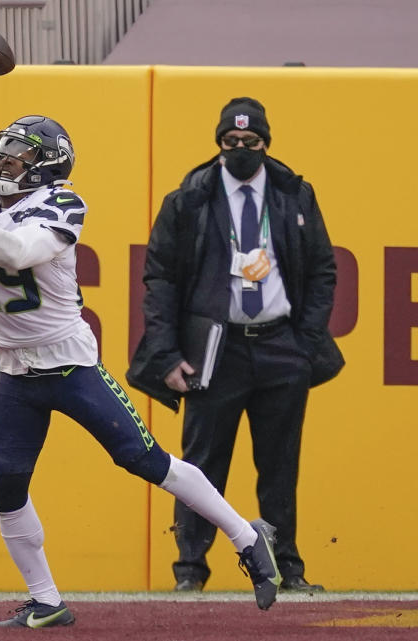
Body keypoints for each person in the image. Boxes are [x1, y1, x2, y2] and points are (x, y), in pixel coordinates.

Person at [0, 115, 282, 626]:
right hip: (13, 370)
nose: (5, 163)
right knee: (5, 484)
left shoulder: (62, 202)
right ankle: (46, 602)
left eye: (20, 156)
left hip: (68, 364)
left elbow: (18, 252)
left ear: (48, 166)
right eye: (4, 152)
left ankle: (247, 537)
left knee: (144, 458)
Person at [126, 97, 343, 594]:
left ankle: (288, 568)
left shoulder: (294, 195)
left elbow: (322, 269)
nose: (241, 150)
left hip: (280, 347)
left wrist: (305, 346)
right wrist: (165, 353)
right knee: (201, 466)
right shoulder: (191, 198)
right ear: (218, 143)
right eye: (231, 142)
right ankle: (191, 572)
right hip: (214, 351)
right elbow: (159, 279)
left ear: (267, 144)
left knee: (280, 465)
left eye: (252, 142)